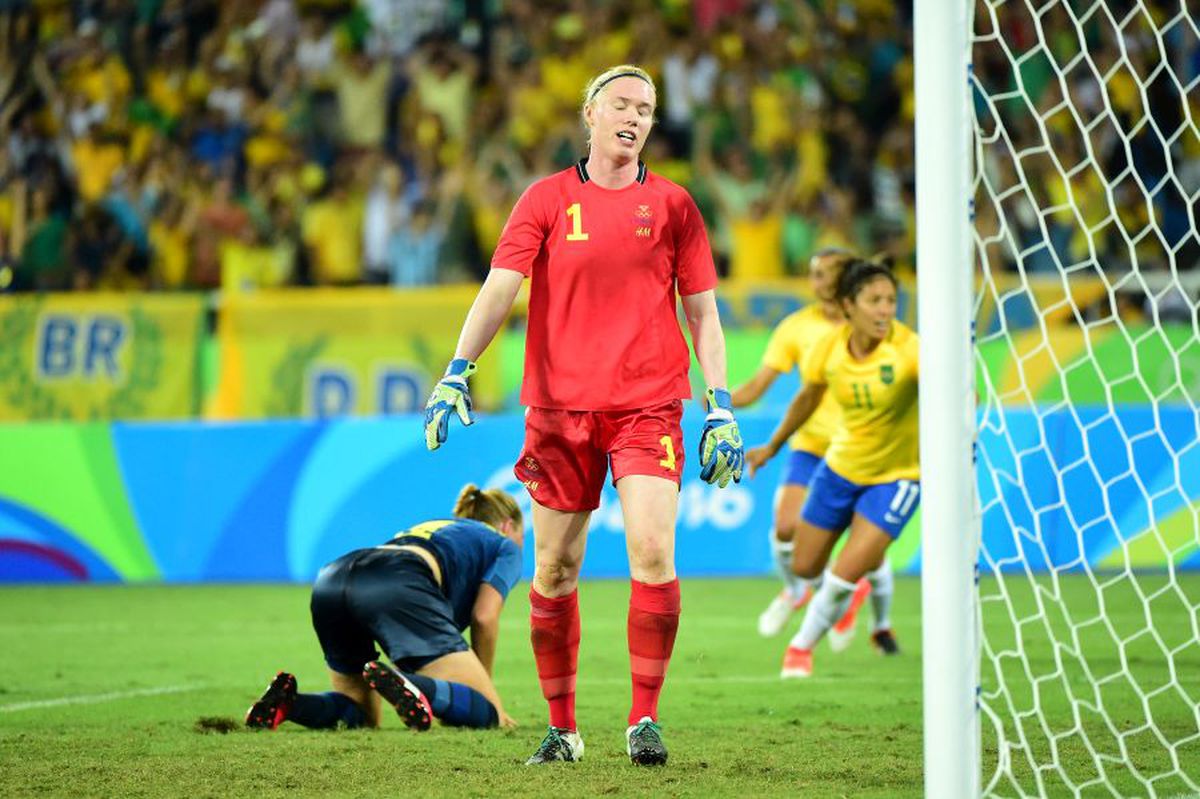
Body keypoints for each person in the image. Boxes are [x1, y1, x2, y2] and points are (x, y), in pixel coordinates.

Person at [422, 64, 744, 767]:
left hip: (647, 405)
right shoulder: (543, 200)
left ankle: (644, 719)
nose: (634, 116)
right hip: (559, 409)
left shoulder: (675, 207)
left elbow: (703, 315)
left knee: (654, 551)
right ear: (590, 113)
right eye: (622, 104)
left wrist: (720, 405)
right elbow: (499, 289)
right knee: (556, 567)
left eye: (647, 109)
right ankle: (563, 728)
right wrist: (458, 370)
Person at [746, 259, 917, 678]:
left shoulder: (911, 350)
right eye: (874, 301)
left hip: (897, 475)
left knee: (843, 573)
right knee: (805, 566)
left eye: (890, 301)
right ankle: (821, 599)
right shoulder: (828, 346)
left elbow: (959, 390)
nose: (884, 310)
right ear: (849, 306)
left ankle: (799, 649)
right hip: (839, 467)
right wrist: (771, 446)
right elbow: (807, 399)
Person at [245, 484, 524, 732]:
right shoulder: (504, 545)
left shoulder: (445, 528)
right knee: (486, 712)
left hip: (334, 579)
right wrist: (481, 688)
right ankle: (410, 682)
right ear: (508, 525)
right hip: (397, 579)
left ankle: (289, 704)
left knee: (362, 714)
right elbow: (484, 616)